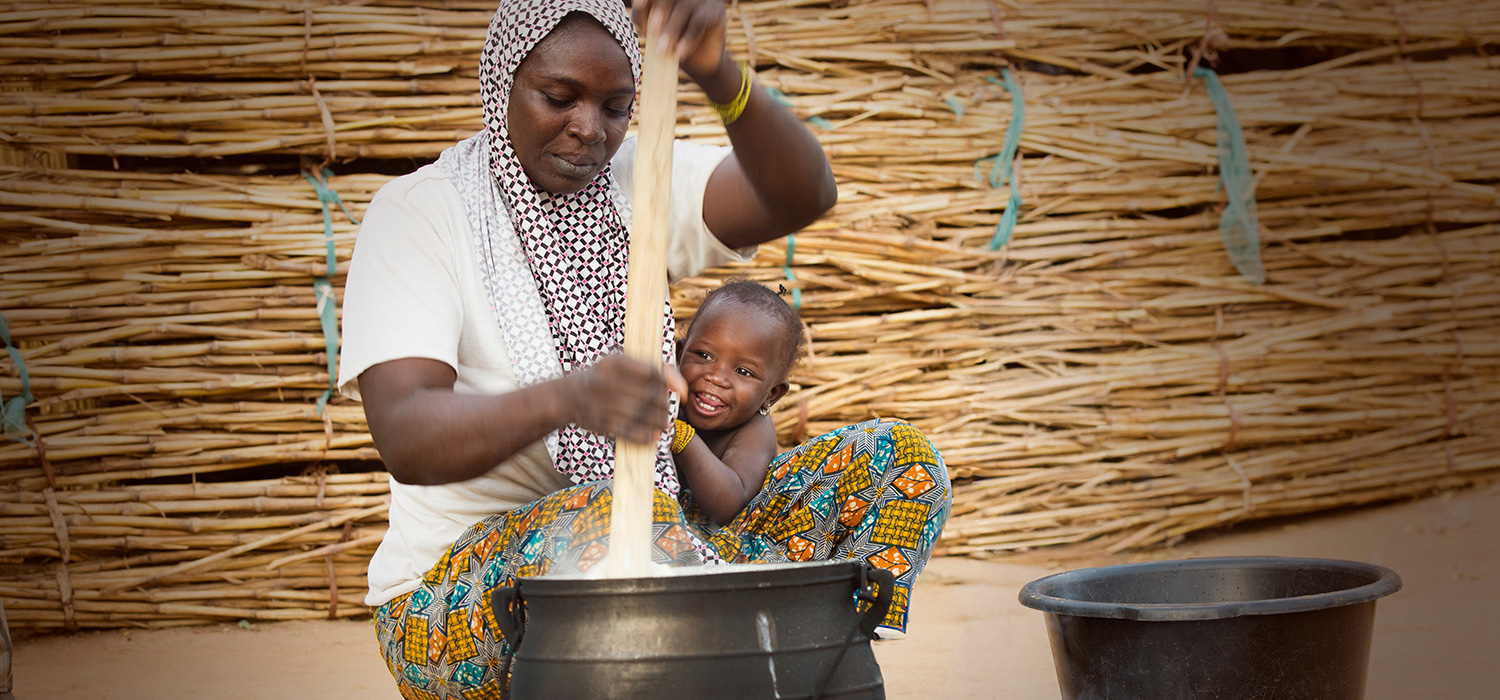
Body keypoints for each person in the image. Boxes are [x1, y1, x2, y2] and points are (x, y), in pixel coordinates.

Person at [338, 1, 951, 697]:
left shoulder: (640, 178)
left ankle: (811, 649)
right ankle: (742, 651)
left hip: (668, 544)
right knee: (617, 515)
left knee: (899, 460)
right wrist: (567, 399)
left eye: (616, 106)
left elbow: (802, 193)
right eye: (558, 97)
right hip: (467, 603)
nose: (589, 129)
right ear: (502, 79)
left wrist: (716, 69)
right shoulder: (423, 214)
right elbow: (407, 435)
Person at [670, 280, 805, 525]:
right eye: (704, 355)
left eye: (743, 371)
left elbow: (728, 506)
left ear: (771, 394)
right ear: (679, 355)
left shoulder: (755, 433)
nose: (716, 378)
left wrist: (680, 437)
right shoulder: (668, 398)